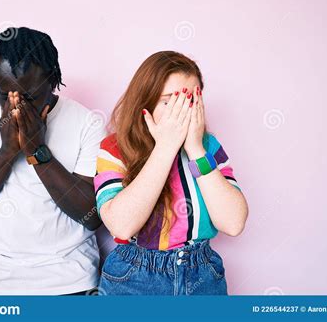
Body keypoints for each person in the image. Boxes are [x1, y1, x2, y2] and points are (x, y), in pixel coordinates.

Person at [0, 27, 106, 295]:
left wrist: (37, 150)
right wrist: (7, 151)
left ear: (53, 81)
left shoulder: (87, 123)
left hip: (71, 283)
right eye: (5, 95)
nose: (17, 105)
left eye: (29, 96)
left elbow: (92, 215)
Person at [93, 51, 249, 295]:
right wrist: (165, 148)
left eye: (191, 100)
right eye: (169, 102)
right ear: (145, 104)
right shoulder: (115, 149)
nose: (182, 112)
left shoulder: (208, 147)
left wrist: (196, 150)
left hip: (203, 275)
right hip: (134, 278)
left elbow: (233, 223)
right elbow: (121, 226)